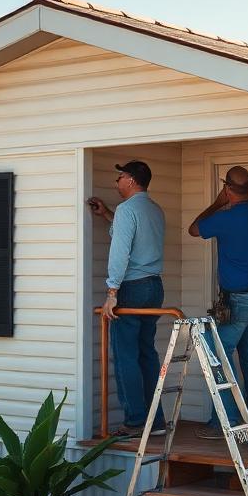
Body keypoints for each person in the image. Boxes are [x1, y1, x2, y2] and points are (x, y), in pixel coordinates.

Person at [188, 165, 248, 440]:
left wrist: (217, 202)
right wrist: (242, 188)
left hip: (240, 299)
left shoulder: (225, 217)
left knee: (218, 356)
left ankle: (227, 422)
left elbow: (194, 229)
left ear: (227, 189)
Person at [88, 160, 167, 438]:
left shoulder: (127, 210)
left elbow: (120, 251)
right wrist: (107, 214)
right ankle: (155, 420)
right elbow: (136, 235)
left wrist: (112, 293)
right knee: (146, 351)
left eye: (120, 176)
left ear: (132, 180)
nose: (116, 182)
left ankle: (134, 421)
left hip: (132, 288)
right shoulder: (153, 209)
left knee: (125, 355)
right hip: (154, 287)